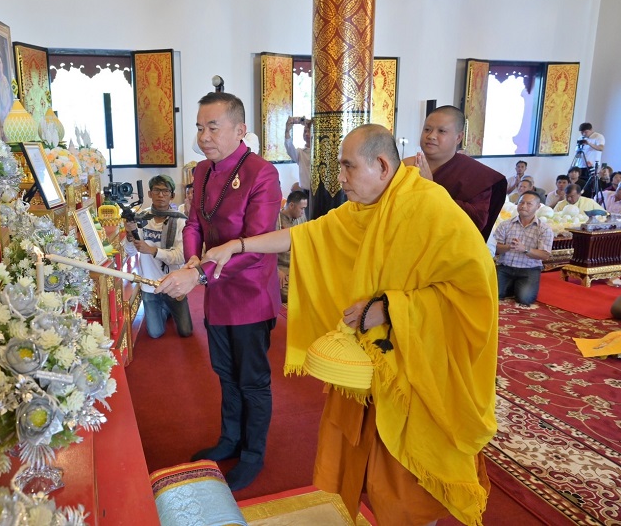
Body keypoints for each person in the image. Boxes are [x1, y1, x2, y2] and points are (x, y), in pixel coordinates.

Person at [200, 124, 497, 525]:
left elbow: (474, 294)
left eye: (347, 166)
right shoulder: (361, 209)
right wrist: (236, 246)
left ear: (382, 165)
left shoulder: (430, 208)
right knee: (368, 471)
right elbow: (304, 237)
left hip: (416, 370)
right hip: (370, 365)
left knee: (409, 489)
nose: (339, 177)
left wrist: (389, 308)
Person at [156, 92, 282, 492]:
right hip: (215, 289)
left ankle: (252, 454)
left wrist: (200, 275)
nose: (204, 136)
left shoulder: (262, 173)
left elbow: (256, 244)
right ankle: (230, 438)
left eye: (213, 127)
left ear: (240, 129)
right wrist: (193, 260)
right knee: (225, 373)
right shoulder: (203, 171)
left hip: (249, 293)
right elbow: (194, 223)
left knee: (252, 380)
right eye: (199, 127)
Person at [403, 105, 507, 241]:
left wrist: (431, 188)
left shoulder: (476, 175)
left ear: (459, 137)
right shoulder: (405, 166)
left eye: (441, 131)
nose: (431, 136)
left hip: (447, 247)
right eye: (427, 129)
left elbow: (475, 222)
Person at [123, 175, 193, 340]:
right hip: (149, 286)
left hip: (174, 283)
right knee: (155, 333)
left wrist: (152, 250)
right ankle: (163, 309)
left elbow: (180, 256)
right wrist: (129, 234)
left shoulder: (180, 221)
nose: (161, 195)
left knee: (186, 331)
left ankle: (167, 308)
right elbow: (130, 252)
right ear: (149, 193)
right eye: (156, 190)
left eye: (165, 191)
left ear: (172, 195)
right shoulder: (141, 218)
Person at [495, 191, 554, 305]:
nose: (523, 206)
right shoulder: (505, 225)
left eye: (529, 203)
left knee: (525, 299)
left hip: (529, 270)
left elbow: (545, 255)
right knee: (494, 293)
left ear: (538, 207)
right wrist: (508, 247)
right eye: (521, 202)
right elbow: (495, 248)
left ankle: (514, 286)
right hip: (505, 268)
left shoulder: (544, 229)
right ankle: (511, 286)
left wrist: (525, 249)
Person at [276, 190, 308, 303]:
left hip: (297, 267)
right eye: (302, 208)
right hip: (281, 268)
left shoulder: (302, 219)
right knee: (290, 294)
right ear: (291, 205)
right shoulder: (276, 220)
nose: (303, 212)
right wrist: (276, 270)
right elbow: (267, 250)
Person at [285, 115, 312, 194]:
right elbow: (289, 147)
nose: (306, 134)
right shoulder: (300, 152)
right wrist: (287, 131)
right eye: (305, 131)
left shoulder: (321, 151)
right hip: (305, 191)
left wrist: (307, 121)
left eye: (309, 131)